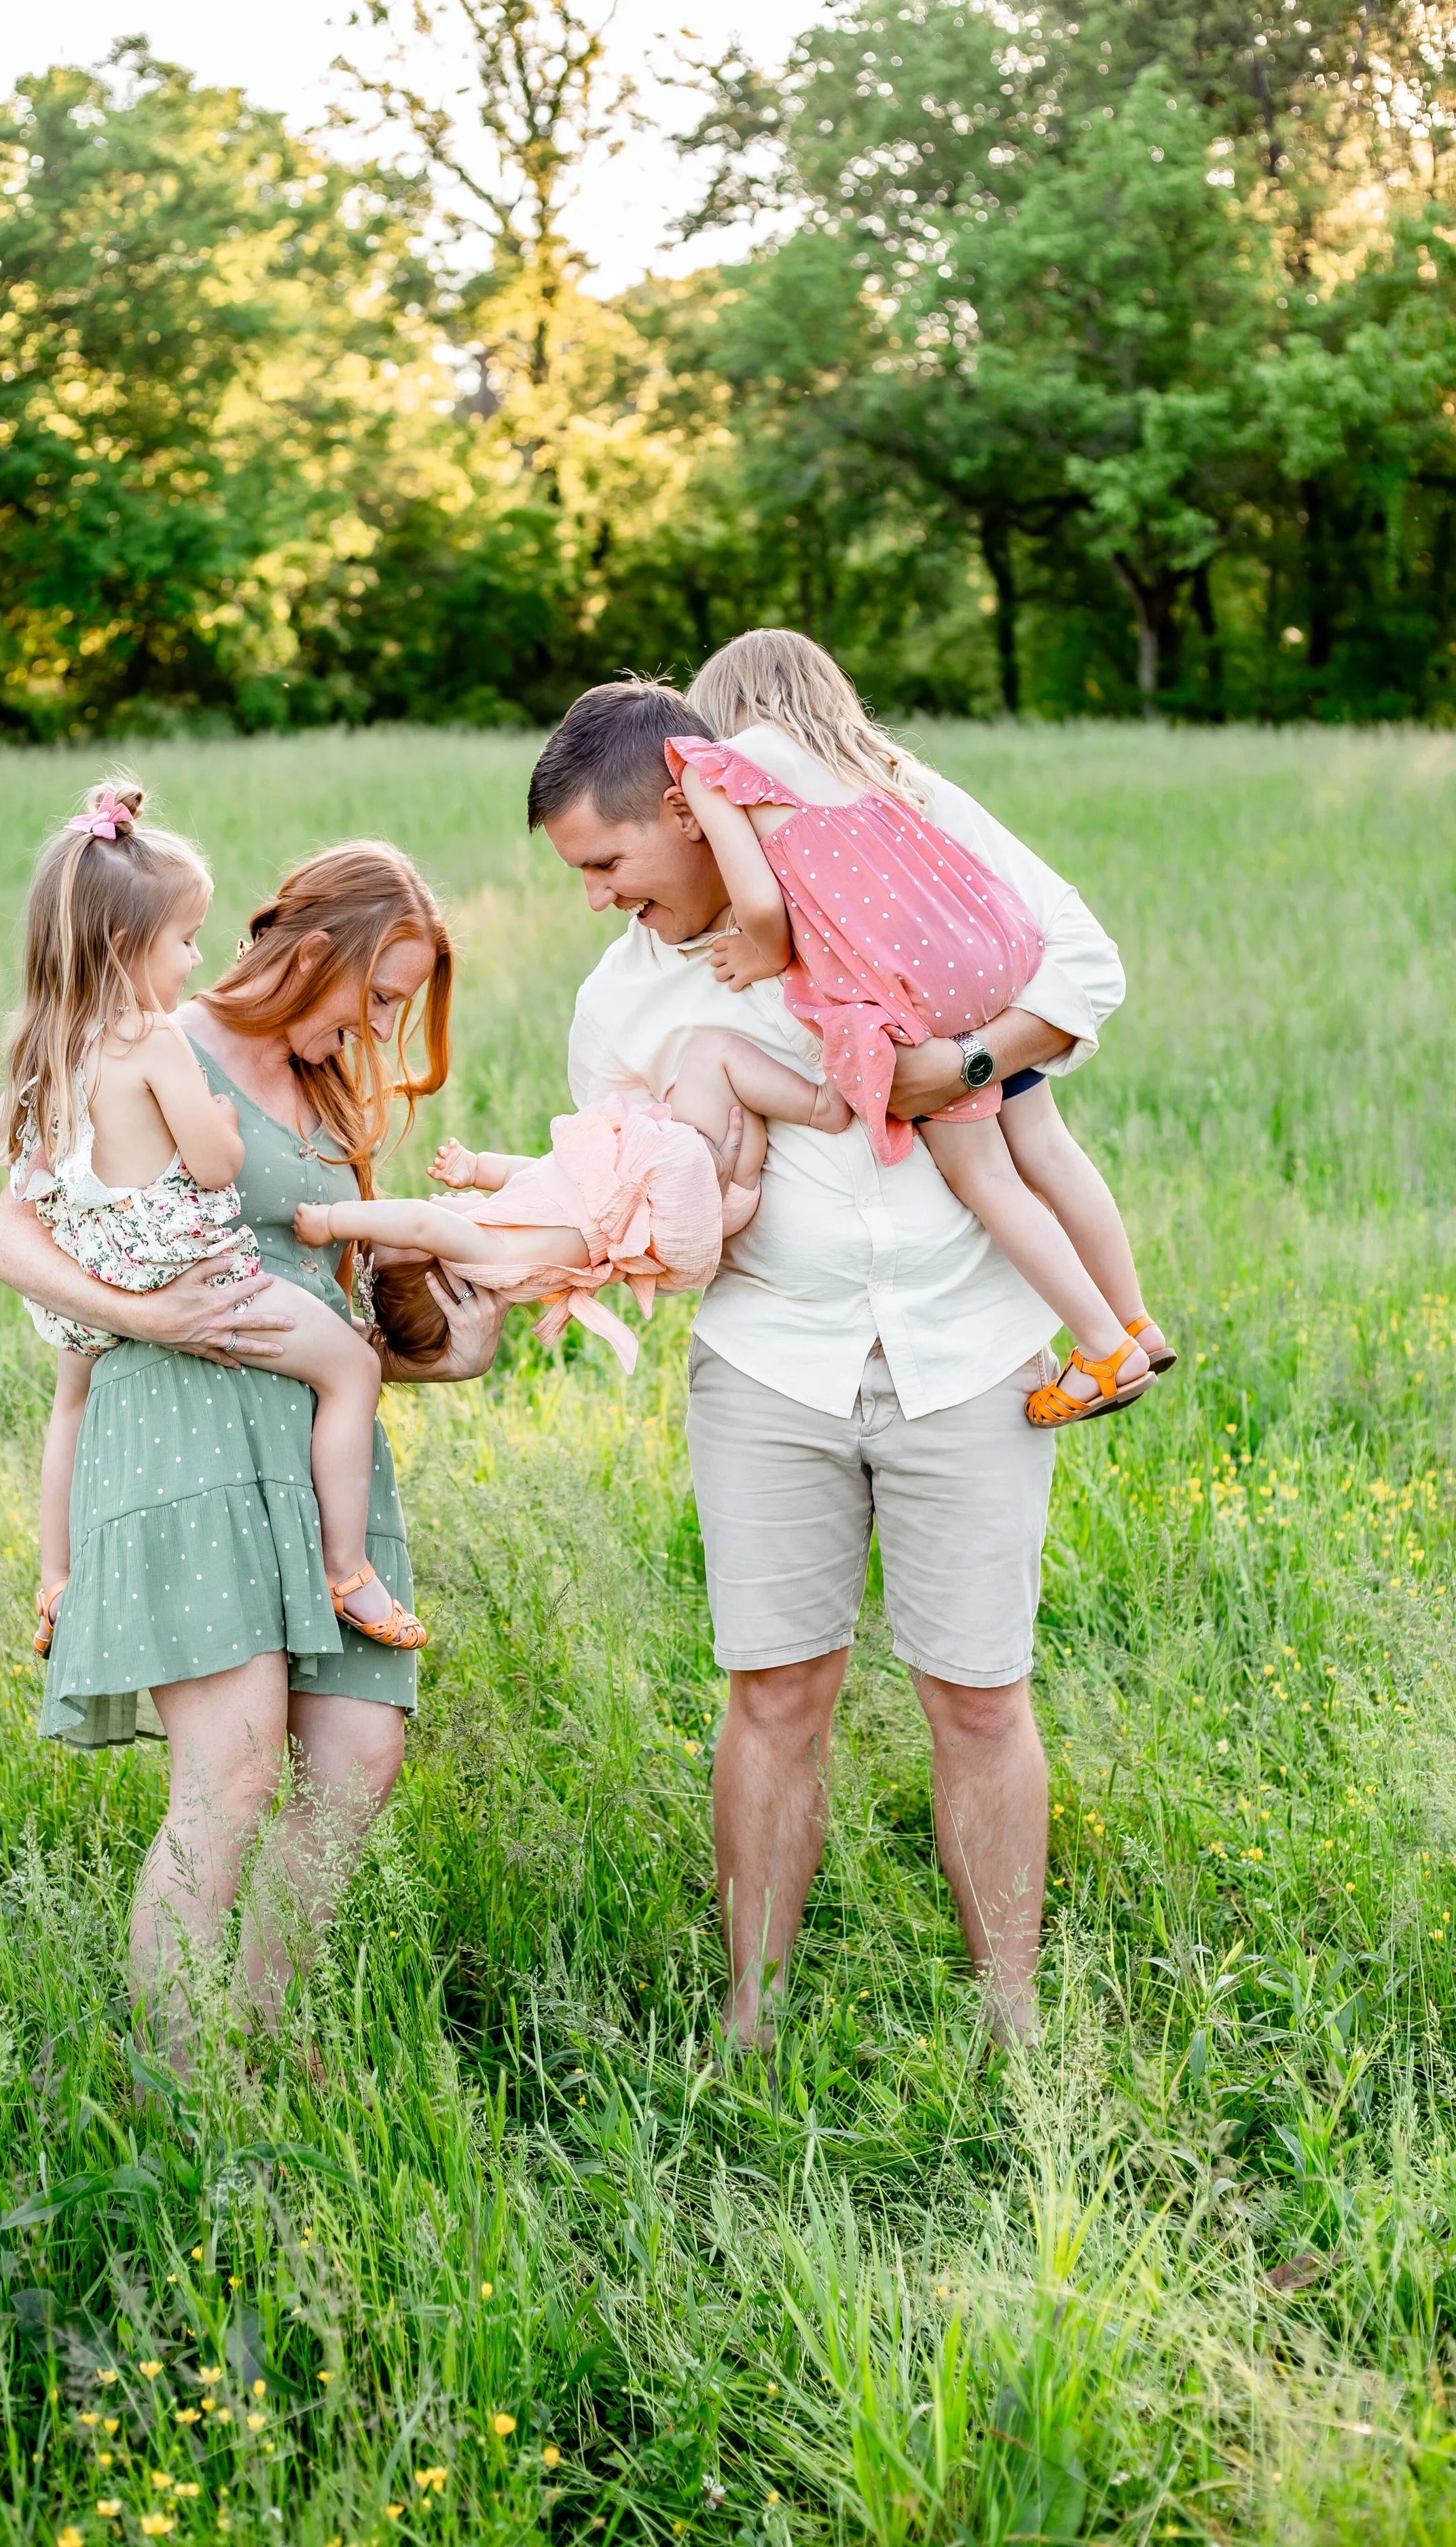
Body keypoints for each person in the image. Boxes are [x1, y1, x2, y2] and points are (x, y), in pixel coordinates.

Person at [528, 668, 1128, 2047]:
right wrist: (605, 1226)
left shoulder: (889, 836)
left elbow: (1082, 968)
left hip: (968, 1350)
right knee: (774, 1689)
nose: (596, 896)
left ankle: (1011, 2023)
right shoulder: (617, 1007)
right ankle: (749, 2012)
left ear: (691, 806)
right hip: (766, 1370)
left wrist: (958, 1068)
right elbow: (635, 1212)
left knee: (978, 1693)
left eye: (607, 863)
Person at [0, 837, 507, 2072]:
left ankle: (260, 2031)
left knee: (361, 1757)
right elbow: (11, 1233)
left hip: (317, 1457)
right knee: (233, 1774)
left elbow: (320, 1305)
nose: (382, 1027)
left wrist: (442, 1358)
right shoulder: (157, 1032)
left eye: (402, 1008)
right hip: (183, 1435)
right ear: (313, 953)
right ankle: (185, 2079)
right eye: (376, 995)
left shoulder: (329, 1094)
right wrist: (150, 1318)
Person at [666, 630, 1172, 1424]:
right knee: (1047, 1149)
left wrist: (758, 955)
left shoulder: (720, 768)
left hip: (914, 990)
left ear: (724, 713)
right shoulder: (882, 771)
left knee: (987, 1177)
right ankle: (1134, 1314)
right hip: (995, 956)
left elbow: (764, 910)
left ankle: (1105, 1349)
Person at [0, 778, 424, 1661]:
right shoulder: (159, 1039)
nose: (196, 958)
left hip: (102, 1261)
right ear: (128, 945)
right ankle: (347, 1567)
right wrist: (217, 1131)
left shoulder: (47, 1042)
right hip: (187, 1263)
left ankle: (56, 1576)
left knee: (68, 1403)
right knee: (347, 1368)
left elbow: (25, 1159)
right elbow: (215, 1165)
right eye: (184, 939)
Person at [300, 1036, 848, 1374]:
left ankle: (767, 1134)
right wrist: (332, 1222)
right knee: (711, 1055)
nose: (427, 1205)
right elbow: (421, 1220)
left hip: (703, 1207)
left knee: (722, 1108)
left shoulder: (506, 1252)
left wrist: (480, 1168)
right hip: (675, 1191)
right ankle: (823, 1105)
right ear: (437, 1263)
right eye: (408, 1235)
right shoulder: (480, 1256)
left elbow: (544, 1180)